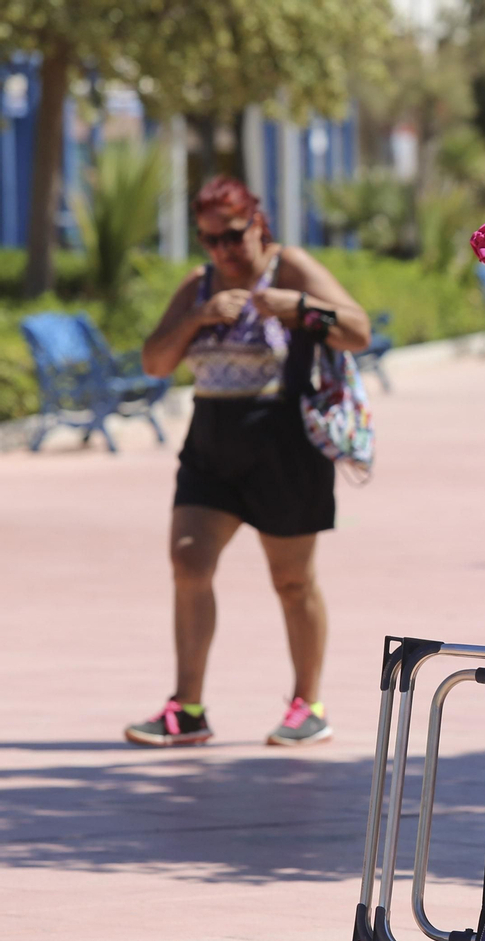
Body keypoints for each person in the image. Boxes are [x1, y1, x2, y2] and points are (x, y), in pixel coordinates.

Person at [125, 177, 370, 748]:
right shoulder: (199, 285)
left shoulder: (291, 268)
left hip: (284, 445)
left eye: (233, 236)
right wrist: (197, 316)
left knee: (291, 580)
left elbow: (357, 331)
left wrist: (301, 308)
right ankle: (187, 708)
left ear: (258, 224)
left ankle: (307, 705)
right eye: (210, 240)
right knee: (188, 561)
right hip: (211, 442)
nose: (223, 250)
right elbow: (155, 362)